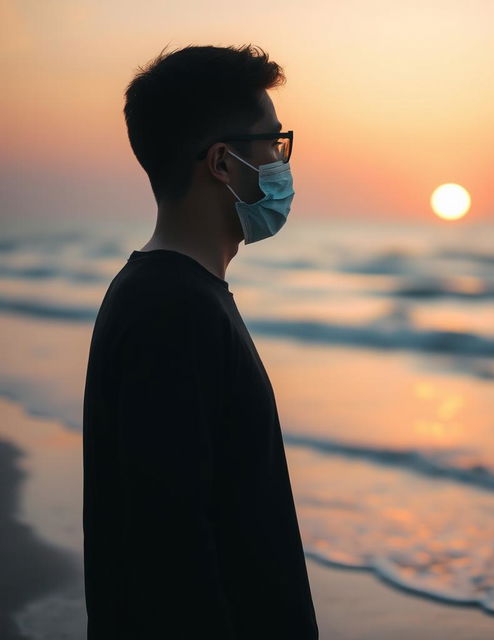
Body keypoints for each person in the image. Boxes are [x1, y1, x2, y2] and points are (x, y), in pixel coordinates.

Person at [82, 43, 318, 639]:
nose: (282, 162)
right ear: (222, 163)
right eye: (274, 143)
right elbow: (170, 554)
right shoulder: (172, 312)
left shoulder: (175, 296)